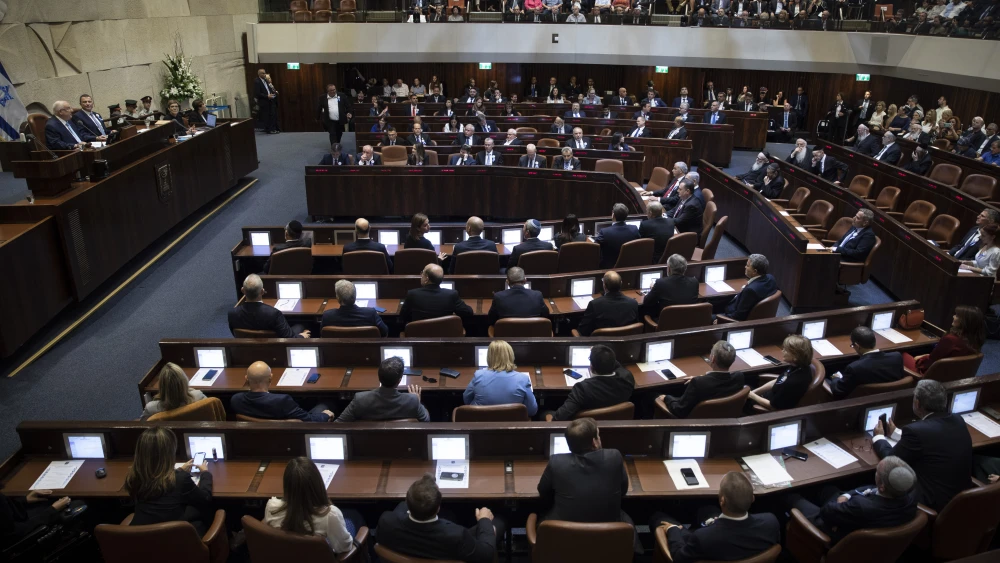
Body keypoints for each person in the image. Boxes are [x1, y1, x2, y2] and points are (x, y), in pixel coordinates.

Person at [873, 379, 973, 510]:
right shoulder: (958, 420)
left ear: (917, 403)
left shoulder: (916, 431)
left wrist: (879, 437)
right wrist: (897, 434)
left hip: (932, 502)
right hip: (962, 500)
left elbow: (890, 460)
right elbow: (934, 439)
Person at [782, 456, 918, 545]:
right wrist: (847, 496)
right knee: (827, 489)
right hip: (862, 524)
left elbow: (826, 512)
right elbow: (871, 488)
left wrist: (842, 504)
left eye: (877, 472)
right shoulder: (910, 496)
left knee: (790, 497)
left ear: (882, 486)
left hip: (833, 531)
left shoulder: (860, 507)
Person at [653, 471, 780, 563]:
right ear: (752, 499)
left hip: (703, 546)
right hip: (725, 546)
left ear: (722, 500)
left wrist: (673, 529)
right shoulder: (771, 522)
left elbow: (678, 557)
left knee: (658, 517)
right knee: (706, 509)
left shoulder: (702, 538)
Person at [538, 418, 633, 532]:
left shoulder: (556, 461)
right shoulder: (614, 456)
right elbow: (623, 490)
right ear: (594, 442)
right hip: (607, 533)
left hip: (564, 534)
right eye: (598, 436)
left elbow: (543, 492)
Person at [376, 475, 500, 563]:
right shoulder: (457, 536)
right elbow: (487, 555)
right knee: (499, 522)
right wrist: (484, 520)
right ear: (438, 508)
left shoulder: (386, 522)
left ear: (408, 503)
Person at [124, 427, 213, 533]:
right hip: (175, 540)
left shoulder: (134, 477)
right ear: (169, 453)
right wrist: (205, 473)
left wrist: (179, 470)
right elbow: (205, 498)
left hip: (142, 540)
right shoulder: (180, 479)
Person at [264, 458, 358, 554]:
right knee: (354, 516)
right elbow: (344, 548)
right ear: (318, 483)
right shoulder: (330, 516)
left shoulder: (271, 507)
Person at [546, 345, 635, 421]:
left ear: (591, 367)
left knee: (545, 412)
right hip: (615, 425)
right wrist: (600, 354)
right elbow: (617, 365)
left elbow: (559, 418)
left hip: (585, 428)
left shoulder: (583, 389)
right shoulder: (627, 378)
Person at [658, 341, 745, 418]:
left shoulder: (698, 383)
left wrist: (666, 398)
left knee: (651, 395)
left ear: (713, 359)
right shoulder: (739, 377)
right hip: (723, 420)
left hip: (691, 422)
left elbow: (680, 411)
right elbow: (717, 381)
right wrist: (702, 378)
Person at [336, 356, 430, 422]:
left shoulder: (360, 399)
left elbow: (339, 424)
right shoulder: (412, 400)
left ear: (379, 377)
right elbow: (426, 420)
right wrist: (418, 400)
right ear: (399, 380)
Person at [231, 361, 333, 421]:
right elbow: (308, 420)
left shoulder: (236, 400)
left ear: (246, 378)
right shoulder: (282, 400)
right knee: (327, 403)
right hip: (292, 437)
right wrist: (325, 415)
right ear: (270, 378)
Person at [826, 326, 905, 399]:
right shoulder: (897, 357)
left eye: (853, 345)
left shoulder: (855, 368)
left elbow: (838, 391)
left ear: (857, 345)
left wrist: (836, 378)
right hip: (891, 399)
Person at [463, 340, 538, 416]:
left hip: (482, 424)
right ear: (510, 356)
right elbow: (532, 410)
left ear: (489, 357)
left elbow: (466, 399)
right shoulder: (523, 379)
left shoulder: (478, 375)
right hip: (512, 425)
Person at [903, 305, 984, 374]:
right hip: (953, 374)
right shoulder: (975, 341)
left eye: (957, 316)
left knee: (900, 355)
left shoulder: (950, 340)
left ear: (964, 322)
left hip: (930, 375)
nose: (953, 316)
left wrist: (919, 359)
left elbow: (929, 362)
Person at [229, 274, 310, 338]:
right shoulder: (273, 313)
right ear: (262, 291)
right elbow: (289, 338)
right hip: (276, 348)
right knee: (302, 325)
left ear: (243, 290)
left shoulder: (232, 313)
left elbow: (235, 334)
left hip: (247, 349)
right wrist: (302, 336)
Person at [748, 335, 814, 411]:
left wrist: (753, 396)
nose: (782, 351)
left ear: (795, 356)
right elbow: (778, 381)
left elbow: (774, 407)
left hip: (765, 407)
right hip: (765, 396)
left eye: (786, 350)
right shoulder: (797, 366)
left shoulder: (794, 382)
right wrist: (754, 392)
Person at [399, 264, 474, 326]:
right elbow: (468, 312)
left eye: (423, 273)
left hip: (419, 337)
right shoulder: (451, 294)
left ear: (427, 278)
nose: (421, 275)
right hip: (444, 336)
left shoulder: (412, 294)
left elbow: (402, 318)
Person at [0, 491, 72, 550]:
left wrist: (24, 500)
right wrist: (52, 511)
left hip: (17, 520)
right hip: (19, 539)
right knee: (77, 503)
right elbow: (13, 533)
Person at [577, 271, 639, 336]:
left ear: (604, 285)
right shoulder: (633, 303)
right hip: (626, 344)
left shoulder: (595, 305)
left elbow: (583, 331)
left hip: (602, 344)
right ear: (621, 283)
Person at [140, 363, 207, 420]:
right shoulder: (198, 397)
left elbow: (141, 427)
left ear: (162, 386)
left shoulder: (151, 409)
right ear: (184, 381)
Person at [321, 280, 389, 337]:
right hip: (368, 351)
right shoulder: (370, 313)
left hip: (336, 351)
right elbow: (384, 332)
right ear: (355, 296)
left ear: (338, 298)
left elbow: (322, 335)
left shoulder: (327, 316)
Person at [723, 254, 777, 321]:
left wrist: (721, 320)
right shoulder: (771, 278)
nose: (745, 267)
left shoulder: (750, 291)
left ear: (755, 271)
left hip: (730, 316)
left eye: (747, 266)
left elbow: (738, 316)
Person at [593, 204, 640, 268]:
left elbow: (594, 248)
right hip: (629, 266)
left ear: (613, 215)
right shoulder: (634, 229)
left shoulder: (605, 232)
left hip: (609, 268)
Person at [254, 68, 279, 134]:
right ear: (259, 74)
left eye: (265, 73)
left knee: (272, 115)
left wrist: (273, 93)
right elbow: (258, 93)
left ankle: (273, 129)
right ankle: (269, 129)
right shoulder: (257, 81)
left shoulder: (265, 80)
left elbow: (268, 88)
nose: (265, 74)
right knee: (267, 116)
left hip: (270, 100)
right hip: (264, 101)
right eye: (263, 73)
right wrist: (267, 96)